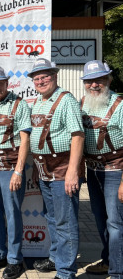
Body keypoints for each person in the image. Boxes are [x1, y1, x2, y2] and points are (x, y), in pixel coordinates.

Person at [29, 58, 85, 279]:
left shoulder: (66, 100)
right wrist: (36, 165)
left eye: (45, 76)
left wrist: (73, 171)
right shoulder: (38, 101)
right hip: (44, 169)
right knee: (52, 218)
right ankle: (56, 258)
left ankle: (66, 272)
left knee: (66, 222)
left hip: (62, 169)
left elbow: (77, 136)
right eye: (37, 77)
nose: (41, 80)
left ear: (55, 76)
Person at [0, 66, 31, 279]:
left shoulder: (19, 104)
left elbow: (25, 139)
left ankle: (15, 260)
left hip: (10, 168)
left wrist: (19, 171)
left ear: (6, 83)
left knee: (12, 214)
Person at [80, 60, 123, 278]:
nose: (94, 85)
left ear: (108, 80)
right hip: (93, 170)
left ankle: (117, 272)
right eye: (89, 81)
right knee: (100, 219)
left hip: (116, 171)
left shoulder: (120, 104)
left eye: (99, 80)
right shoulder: (83, 103)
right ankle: (108, 261)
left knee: (116, 222)